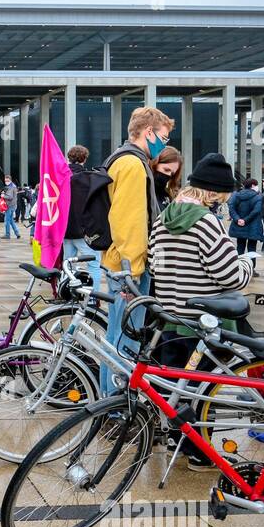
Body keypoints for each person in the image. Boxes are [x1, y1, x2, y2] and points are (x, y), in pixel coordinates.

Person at [147, 152, 255, 471]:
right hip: (201, 323)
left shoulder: (163, 219)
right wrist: (247, 264)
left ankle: (177, 439)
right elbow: (229, 276)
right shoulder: (206, 222)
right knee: (202, 389)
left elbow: (155, 266)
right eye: (222, 195)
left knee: (176, 386)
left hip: (170, 317)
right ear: (213, 191)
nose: (222, 201)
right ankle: (198, 451)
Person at [101, 106, 172, 394]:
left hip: (119, 262)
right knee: (126, 341)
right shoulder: (132, 164)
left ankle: (108, 398)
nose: (164, 145)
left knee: (115, 335)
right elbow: (129, 221)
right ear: (148, 132)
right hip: (129, 267)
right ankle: (118, 407)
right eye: (163, 138)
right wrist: (134, 270)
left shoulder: (123, 159)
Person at [63, 145, 102, 288]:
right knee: (94, 263)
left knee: (67, 264)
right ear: (84, 159)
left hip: (65, 229)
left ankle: (67, 295)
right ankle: (93, 297)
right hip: (83, 230)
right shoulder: (88, 178)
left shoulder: (61, 177)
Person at [227, 178, 264, 256]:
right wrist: (246, 220)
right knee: (252, 249)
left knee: (240, 247)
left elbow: (231, 207)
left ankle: (239, 266)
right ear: (253, 185)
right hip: (253, 226)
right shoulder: (258, 197)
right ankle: (251, 266)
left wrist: (238, 219)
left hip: (239, 226)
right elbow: (256, 211)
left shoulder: (236, 195)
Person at [1, 174, 20, 239]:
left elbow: (10, 197)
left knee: (7, 220)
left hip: (9, 206)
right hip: (13, 205)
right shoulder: (13, 186)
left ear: (10, 180)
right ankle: (17, 233)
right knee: (11, 220)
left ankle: (7, 234)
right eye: (5, 180)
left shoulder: (10, 187)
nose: (6, 181)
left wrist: (3, 196)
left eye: (7, 180)